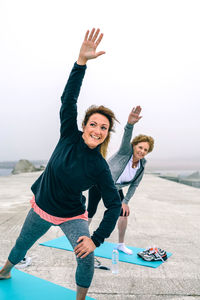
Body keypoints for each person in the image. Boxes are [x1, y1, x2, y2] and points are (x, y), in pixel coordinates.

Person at [0, 28, 121, 300]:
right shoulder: (68, 133)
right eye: (93, 124)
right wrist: (81, 63)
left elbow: (113, 205)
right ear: (84, 125)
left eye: (103, 127)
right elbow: (69, 99)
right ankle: (5, 270)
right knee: (21, 245)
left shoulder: (100, 167)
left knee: (86, 258)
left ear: (106, 133)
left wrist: (96, 238)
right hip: (41, 206)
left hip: (71, 215)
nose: (97, 129)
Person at [87, 106, 154, 255]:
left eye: (145, 150)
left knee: (123, 212)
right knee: (90, 211)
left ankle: (121, 244)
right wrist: (130, 124)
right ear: (134, 146)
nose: (142, 151)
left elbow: (134, 185)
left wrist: (126, 201)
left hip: (114, 187)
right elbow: (126, 136)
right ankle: (82, 239)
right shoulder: (125, 152)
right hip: (99, 181)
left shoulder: (142, 166)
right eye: (140, 147)